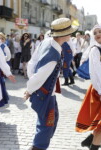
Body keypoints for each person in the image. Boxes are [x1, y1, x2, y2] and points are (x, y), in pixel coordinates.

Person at [24, 18, 77, 150]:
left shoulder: (46, 42)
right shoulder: (53, 54)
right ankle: (37, 147)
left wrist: (33, 84)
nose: (71, 35)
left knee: (50, 121)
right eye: (69, 32)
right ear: (63, 35)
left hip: (46, 91)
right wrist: (30, 89)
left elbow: (32, 63)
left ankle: (40, 145)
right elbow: (40, 75)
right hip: (44, 93)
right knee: (47, 124)